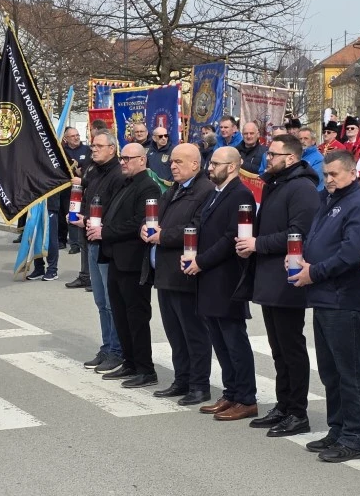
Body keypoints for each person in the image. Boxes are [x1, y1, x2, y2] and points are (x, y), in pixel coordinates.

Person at [288, 149, 360, 462]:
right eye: (326, 174)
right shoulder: (330, 201)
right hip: (325, 298)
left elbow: (351, 253)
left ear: (352, 173)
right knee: (331, 372)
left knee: (350, 372)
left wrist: (314, 271)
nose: (328, 180)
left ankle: (354, 436)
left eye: (334, 174)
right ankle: (337, 428)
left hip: (347, 300)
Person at [237, 133, 319, 437]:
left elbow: (298, 233)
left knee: (291, 346)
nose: (266, 158)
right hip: (270, 276)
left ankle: (298, 411)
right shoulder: (276, 184)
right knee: (278, 348)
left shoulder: (302, 188)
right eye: (267, 153)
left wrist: (258, 243)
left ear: (291, 158)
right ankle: (284, 405)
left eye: (273, 154)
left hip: (288, 276)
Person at [185, 147, 259, 421]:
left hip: (227, 278)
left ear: (232, 167)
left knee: (234, 339)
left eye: (216, 163)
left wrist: (201, 261)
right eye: (211, 162)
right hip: (210, 278)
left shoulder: (241, 194)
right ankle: (231, 392)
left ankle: (246, 397)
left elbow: (231, 237)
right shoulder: (215, 193)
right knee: (219, 339)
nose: (209, 167)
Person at [143, 143, 214, 403]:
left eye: (179, 162)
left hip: (185, 272)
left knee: (193, 333)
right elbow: (156, 218)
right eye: (172, 162)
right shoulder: (173, 189)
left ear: (195, 164)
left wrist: (164, 236)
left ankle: (199, 385)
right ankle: (181, 379)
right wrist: (146, 228)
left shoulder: (204, 190)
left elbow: (197, 228)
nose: (172, 166)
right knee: (174, 332)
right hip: (165, 272)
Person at [89, 143, 161, 387]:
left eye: (128, 158)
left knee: (136, 317)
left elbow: (138, 222)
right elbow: (112, 214)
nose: (123, 162)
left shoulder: (148, 186)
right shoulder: (125, 183)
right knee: (120, 315)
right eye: (122, 158)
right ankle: (130, 362)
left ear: (142, 160)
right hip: (115, 258)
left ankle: (145, 368)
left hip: (132, 261)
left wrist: (105, 232)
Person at [74, 132, 125, 372]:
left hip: (107, 244)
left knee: (110, 302)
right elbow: (86, 201)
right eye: (92, 145)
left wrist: (93, 222)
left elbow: (114, 211)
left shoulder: (117, 175)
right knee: (100, 300)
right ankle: (107, 346)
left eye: (98, 146)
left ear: (112, 149)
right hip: (90, 240)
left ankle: (117, 349)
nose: (93, 149)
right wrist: (79, 217)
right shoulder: (93, 171)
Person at [62, 127, 92, 258]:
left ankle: (79, 243)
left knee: (80, 215)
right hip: (67, 188)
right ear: (66, 139)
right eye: (73, 136)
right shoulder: (63, 151)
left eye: (77, 135)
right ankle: (72, 243)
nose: (76, 137)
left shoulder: (87, 150)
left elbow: (89, 167)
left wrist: (82, 175)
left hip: (82, 188)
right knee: (69, 215)